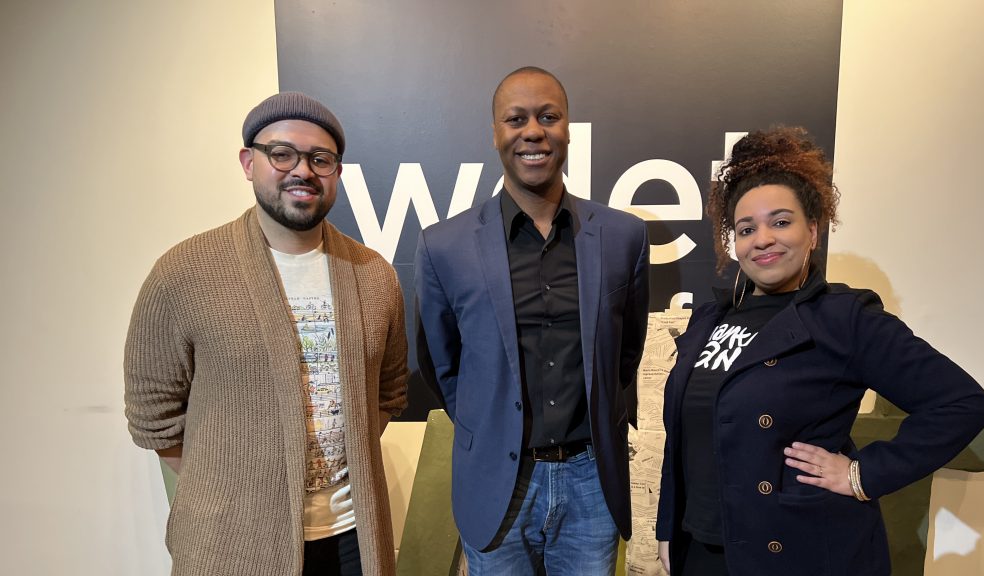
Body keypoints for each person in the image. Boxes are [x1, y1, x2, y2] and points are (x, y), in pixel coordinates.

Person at [655, 126, 984, 575]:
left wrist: (861, 474)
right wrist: (669, 529)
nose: (763, 239)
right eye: (746, 228)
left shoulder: (844, 318)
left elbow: (962, 403)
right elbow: (683, 437)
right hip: (702, 549)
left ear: (813, 231)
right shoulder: (708, 320)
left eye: (781, 222)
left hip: (796, 550)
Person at [124, 92, 408, 576]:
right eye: (281, 153)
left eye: (320, 159)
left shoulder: (373, 274)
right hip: (232, 545)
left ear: (336, 172)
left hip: (352, 541)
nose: (302, 170)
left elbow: (390, 390)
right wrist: (229, 483)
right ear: (247, 162)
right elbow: (154, 415)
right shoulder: (184, 272)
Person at [415, 66, 650, 574]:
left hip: (592, 481)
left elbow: (625, 352)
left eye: (548, 116)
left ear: (568, 127)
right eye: (515, 118)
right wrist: (490, 425)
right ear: (495, 133)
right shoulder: (444, 246)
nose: (533, 132)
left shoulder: (623, 236)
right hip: (498, 482)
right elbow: (443, 365)